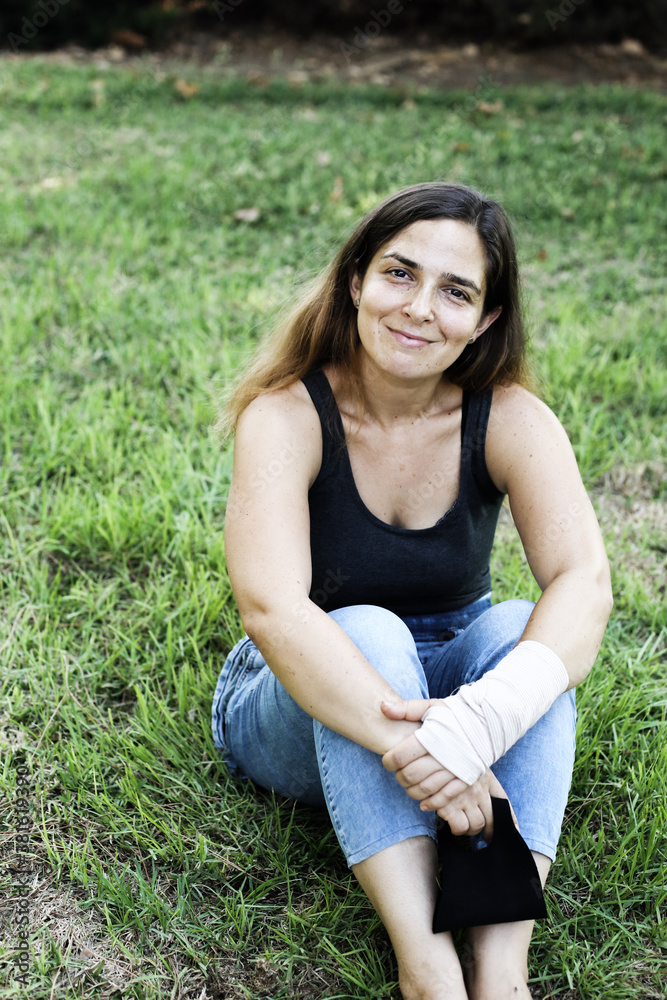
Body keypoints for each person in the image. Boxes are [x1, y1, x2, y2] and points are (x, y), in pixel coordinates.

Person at [212, 182, 612, 1000]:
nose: (420, 308)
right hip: (303, 692)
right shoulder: (286, 414)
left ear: (485, 319)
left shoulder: (509, 418)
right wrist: (437, 754)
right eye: (399, 273)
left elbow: (585, 583)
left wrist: (480, 722)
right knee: (365, 627)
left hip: (451, 684)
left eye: (455, 292)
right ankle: (426, 970)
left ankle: (501, 972)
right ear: (356, 279)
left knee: (521, 629)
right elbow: (273, 611)